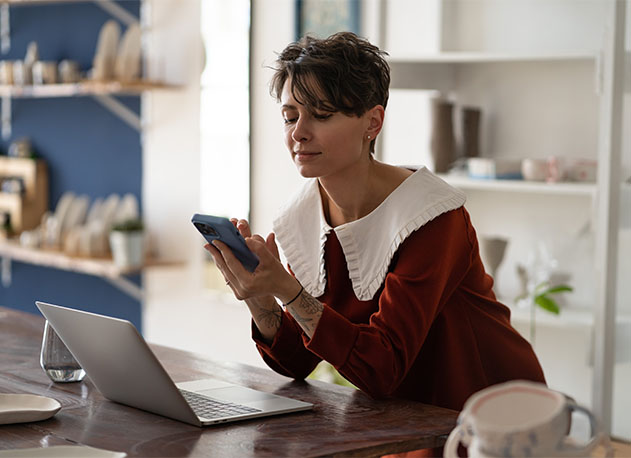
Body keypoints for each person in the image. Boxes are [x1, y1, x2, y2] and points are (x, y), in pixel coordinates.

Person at [206, 32, 545, 414]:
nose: (298, 132)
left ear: (373, 121)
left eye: (321, 114)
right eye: (289, 116)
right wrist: (258, 294)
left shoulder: (431, 216)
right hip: (403, 420)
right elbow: (296, 361)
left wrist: (287, 288)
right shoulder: (299, 220)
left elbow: (383, 367)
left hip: (490, 418)